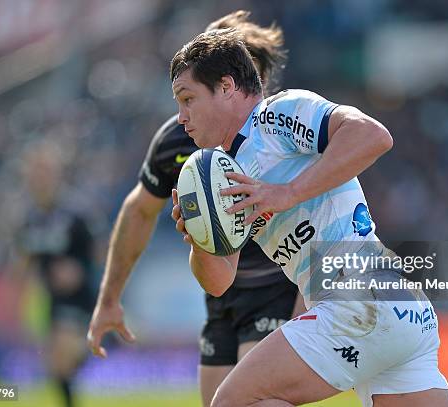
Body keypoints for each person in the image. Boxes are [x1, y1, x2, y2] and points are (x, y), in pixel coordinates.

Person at [169, 29, 448, 406]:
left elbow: (372, 135)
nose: (181, 117)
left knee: (232, 402)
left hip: (356, 301)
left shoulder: (276, 115)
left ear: (226, 87)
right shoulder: (226, 171)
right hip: (395, 304)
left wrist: (286, 193)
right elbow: (220, 280)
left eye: (188, 99)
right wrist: (201, 240)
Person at [86, 11, 303, 407]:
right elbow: (138, 212)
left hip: (276, 288)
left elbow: (333, 195)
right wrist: (109, 298)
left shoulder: (280, 131)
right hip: (221, 297)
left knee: (253, 400)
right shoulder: (176, 139)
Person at [16, 140, 97, 407]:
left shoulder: (76, 212)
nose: (39, 178)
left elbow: (102, 251)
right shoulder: (29, 218)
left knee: (63, 355)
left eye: (45, 171)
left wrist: (80, 270)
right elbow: (25, 259)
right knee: (55, 367)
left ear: (57, 173)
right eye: (34, 172)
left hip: (81, 298)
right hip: (51, 300)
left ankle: (91, 344)